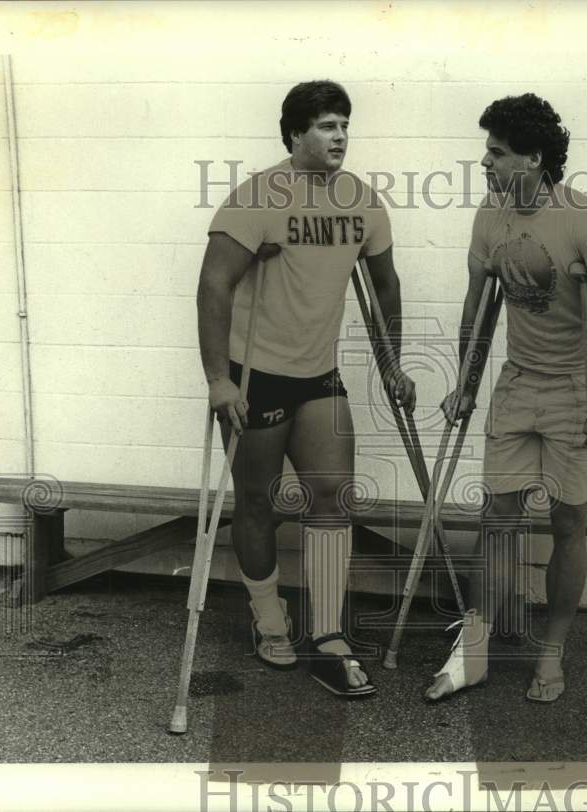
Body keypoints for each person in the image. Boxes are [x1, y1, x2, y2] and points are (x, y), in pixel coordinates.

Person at [196, 80, 415, 698]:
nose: (338, 135)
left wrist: (393, 365)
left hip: (318, 375)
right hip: (254, 373)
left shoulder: (364, 202)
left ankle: (326, 633)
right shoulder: (256, 197)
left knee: (331, 501)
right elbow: (213, 286)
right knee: (259, 503)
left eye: (343, 124)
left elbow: (385, 287)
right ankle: (270, 617)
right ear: (294, 134)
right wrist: (218, 380)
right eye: (324, 125)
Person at [425, 93, 587, 703]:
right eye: (487, 150)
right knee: (499, 521)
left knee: (569, 522)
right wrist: (465, 382)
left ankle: (551, 650)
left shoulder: (585, 221)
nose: (485, 162)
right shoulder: (490, 215)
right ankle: (475, 652)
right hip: (518, 381)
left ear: (534, 158)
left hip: (576, 388)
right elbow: (475, 305)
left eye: (497, 152)